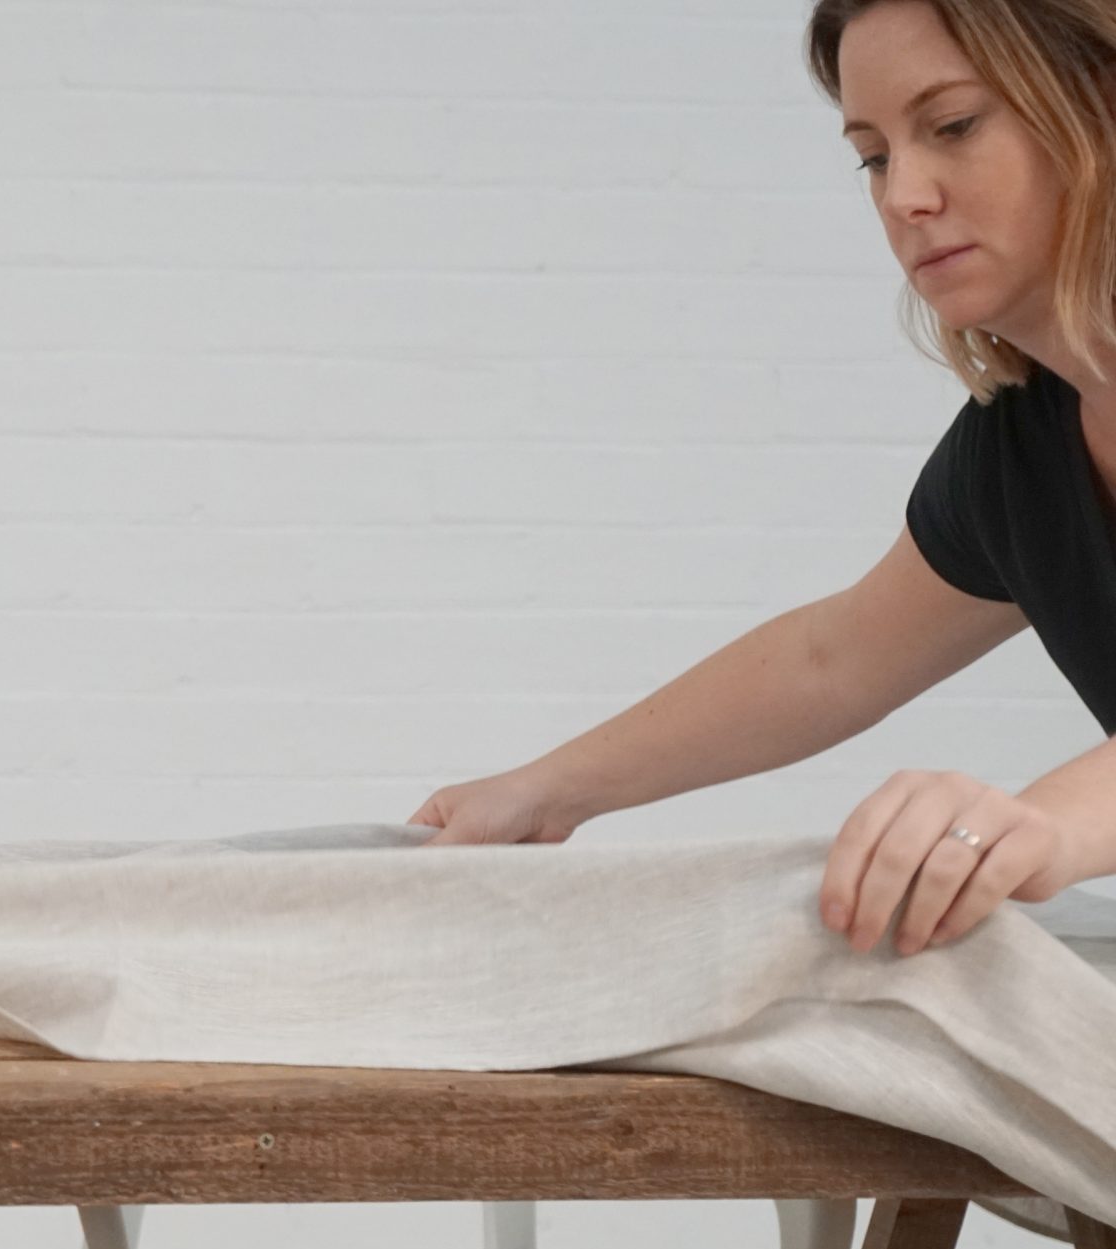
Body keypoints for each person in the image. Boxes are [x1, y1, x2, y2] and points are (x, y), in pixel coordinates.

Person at [411, 0, 1116, 963]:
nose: (906, 195)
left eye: (953, 126)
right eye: (873, 156)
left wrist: (1046, 828)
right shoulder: (1019, 450)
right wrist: (545, 790)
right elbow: (832, 659)